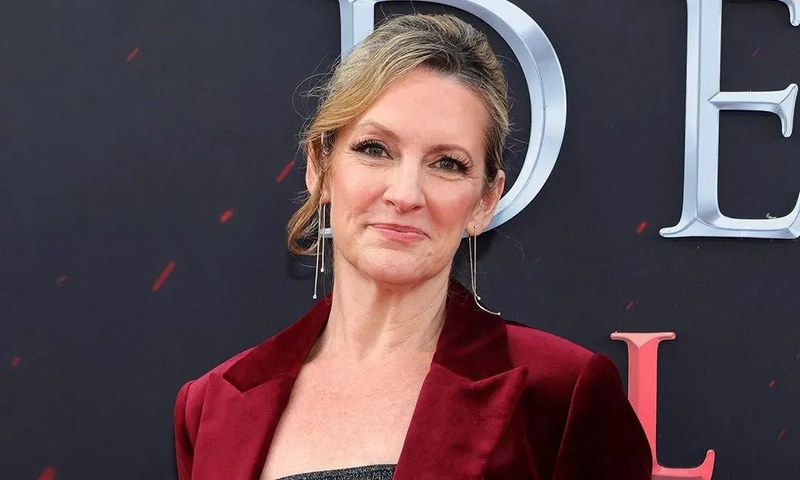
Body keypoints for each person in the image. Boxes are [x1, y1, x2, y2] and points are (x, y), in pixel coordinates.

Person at [173, 13, 653, 480]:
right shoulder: (211, 404)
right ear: (320, 168)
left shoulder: (560, 395)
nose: (404, 195)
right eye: (374, 149)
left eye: (447, 163)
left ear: (485, 201)